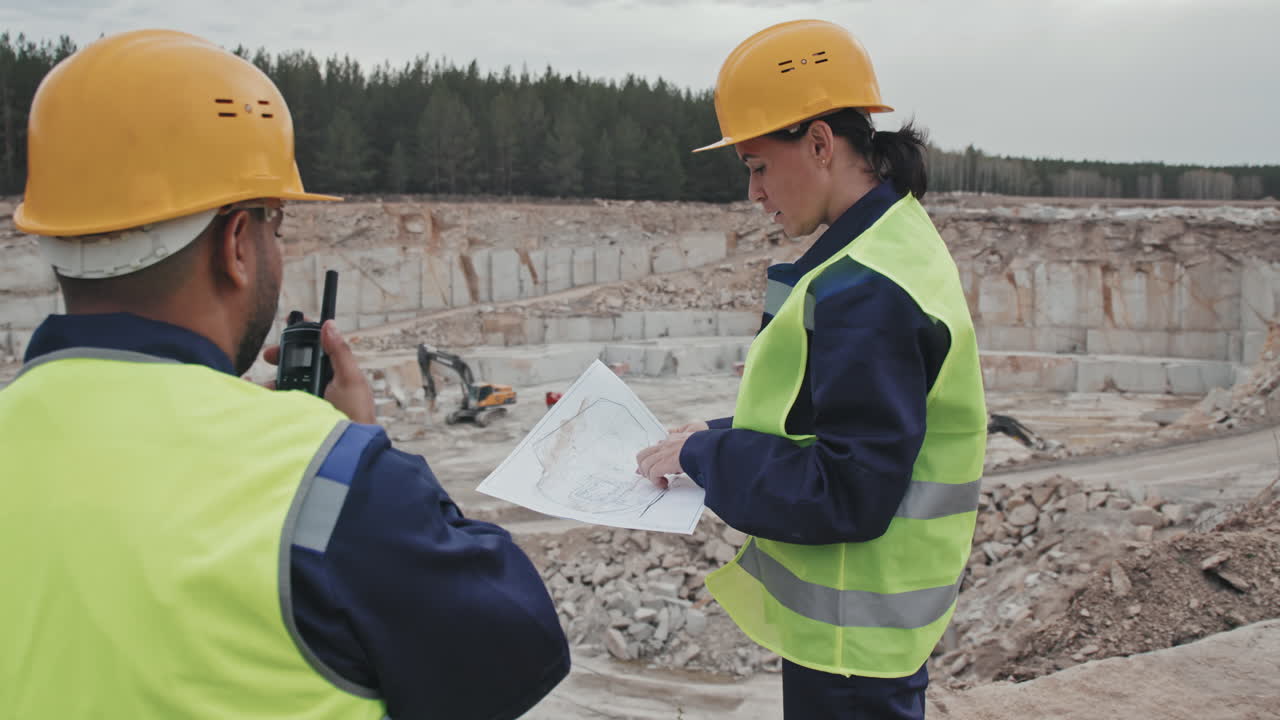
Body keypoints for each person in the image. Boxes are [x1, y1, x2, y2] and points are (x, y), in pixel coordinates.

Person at [0, 29, 567, 719]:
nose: (276, 247)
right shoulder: (329, 481)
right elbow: (524, 643)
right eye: (276, 224)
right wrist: (361, 452)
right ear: (237, 243)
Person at [636, 19, 987, 719]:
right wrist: (713, 433)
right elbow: (831, 415)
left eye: (759, 166)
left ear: (821, 144)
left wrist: (708, 456)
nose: (754, 193)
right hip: (863, 635)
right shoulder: (890, 241)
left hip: (852, 645)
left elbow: (847, 490)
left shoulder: (868, 289)